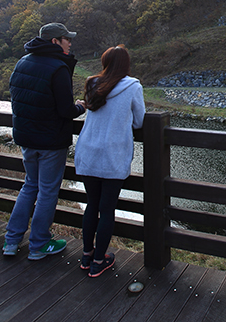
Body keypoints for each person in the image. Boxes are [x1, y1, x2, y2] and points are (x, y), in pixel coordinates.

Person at [3, 22, 86, 260]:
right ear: (55, 42)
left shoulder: (22, 62)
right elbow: (65, 110)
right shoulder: (57, 67)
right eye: (66, 38)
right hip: (50, 141)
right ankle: (39, 244)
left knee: (30, 185)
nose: (70, 42)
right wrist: (81, 105)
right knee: (48, 191)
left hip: (26, 138)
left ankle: (11, 241)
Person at [74, 45, 145, 277]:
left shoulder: (93, 83)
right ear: (126, 64)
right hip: (112, 154)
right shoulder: (133, 86)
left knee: (91, 205)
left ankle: (86, 255)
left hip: (88, 150)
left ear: (105, 62)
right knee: (107, 210)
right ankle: (98, 261)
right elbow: (140, 122)